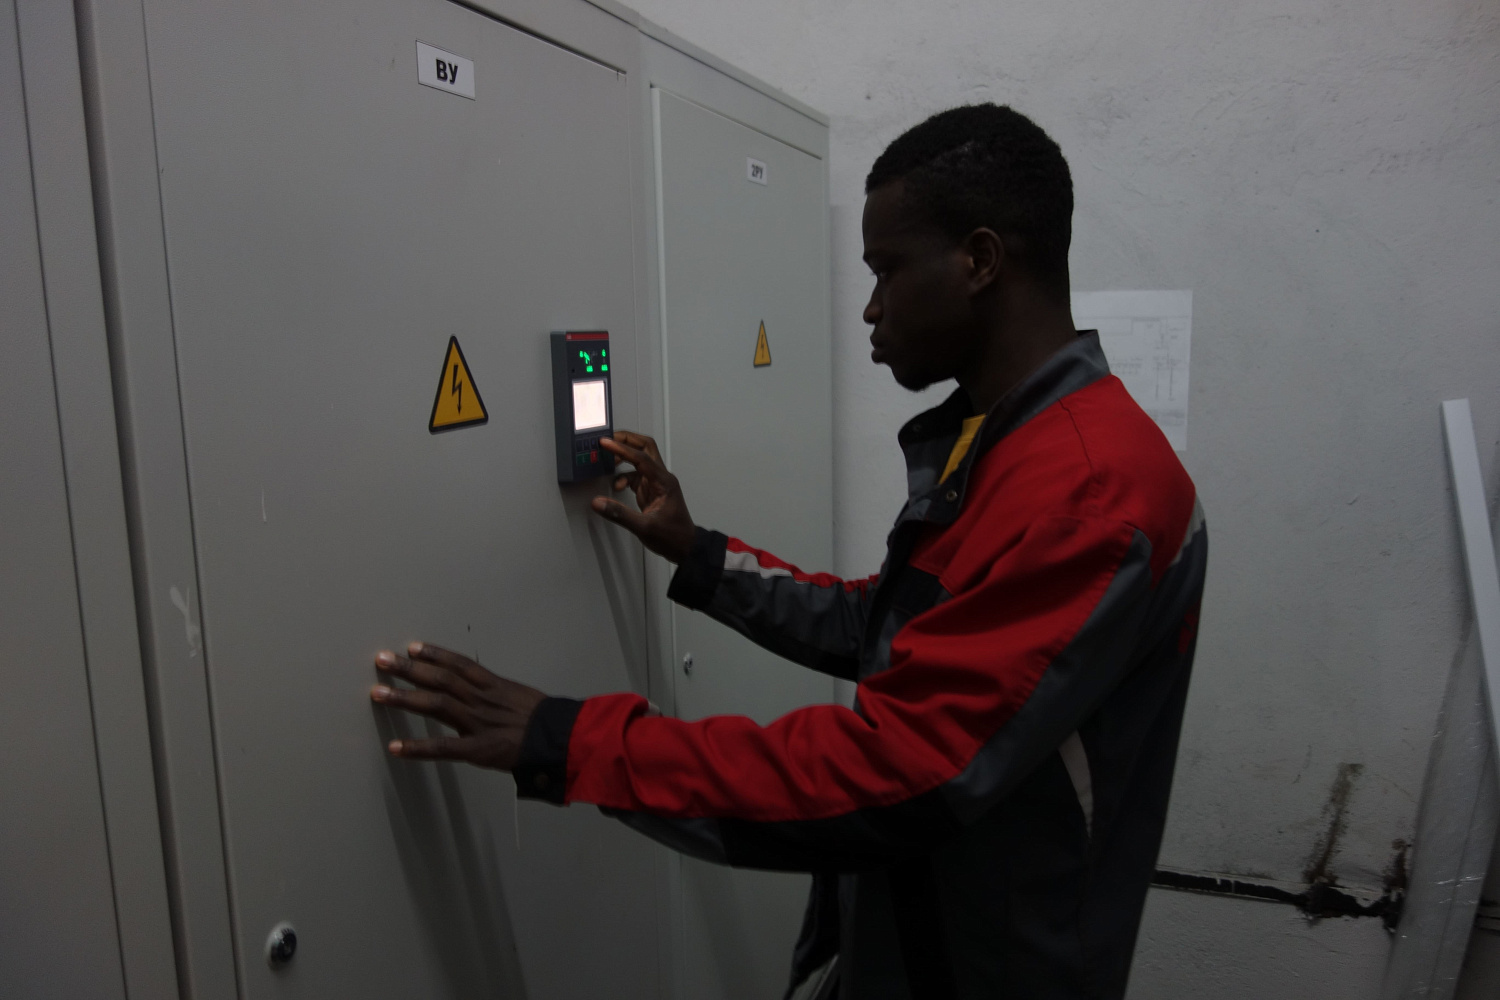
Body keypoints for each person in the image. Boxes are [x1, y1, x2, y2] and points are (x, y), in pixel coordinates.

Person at [370, 103, 1207, 1000]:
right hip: (912, 940)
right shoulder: (1009, 443)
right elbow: (882, 624)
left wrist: (569, 741)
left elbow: (903, 772)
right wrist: (701, 555)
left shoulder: (1089, 495)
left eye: (886, 270)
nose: (871, 307)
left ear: (979, 260)